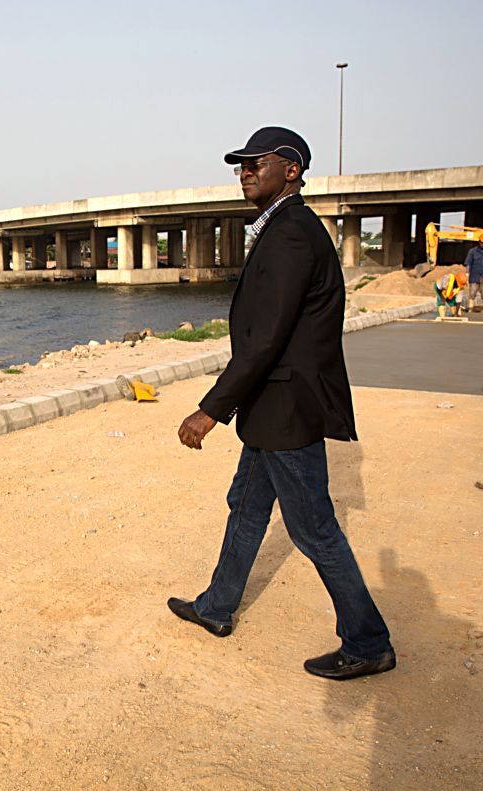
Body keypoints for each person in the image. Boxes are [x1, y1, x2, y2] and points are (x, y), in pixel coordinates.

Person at [170, 126, 395, 681]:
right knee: (246, 507)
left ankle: (368, 642)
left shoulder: (292, 232)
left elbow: (267, 337)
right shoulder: (279, 229)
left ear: (291, 170)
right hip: (271, 410)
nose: (245, 171)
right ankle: (217, 607)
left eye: (256, 162)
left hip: (286, 408)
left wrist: (211, 409)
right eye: (240, 164)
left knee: (314, 529)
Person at [464, 238, 483, 312]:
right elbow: (468, 263)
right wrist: (467, 274)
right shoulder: (472, 251)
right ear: (479, 242)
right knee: (472, 292)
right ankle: (470, 308)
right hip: (474, 276)